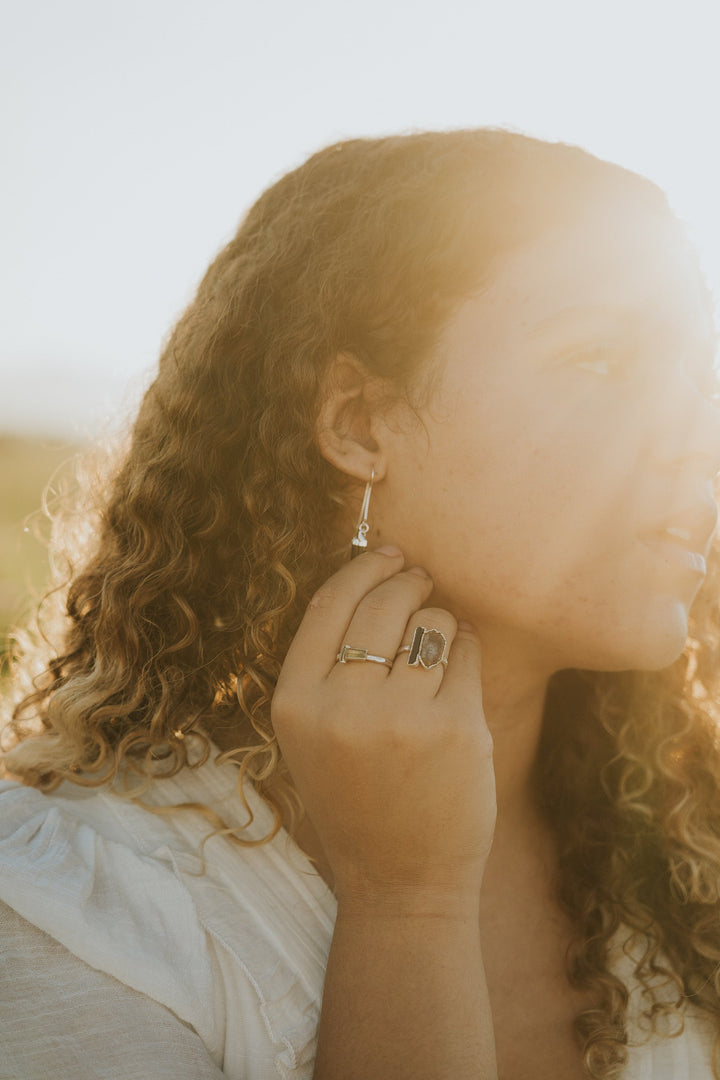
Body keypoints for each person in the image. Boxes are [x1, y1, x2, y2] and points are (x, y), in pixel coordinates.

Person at [1, 128, 720, 1080]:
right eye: (598, 359)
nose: (697, 433)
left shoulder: (689, 854)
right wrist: (405, 901)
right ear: (356, 421)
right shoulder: (73, 910)